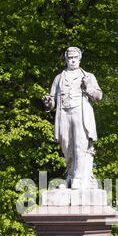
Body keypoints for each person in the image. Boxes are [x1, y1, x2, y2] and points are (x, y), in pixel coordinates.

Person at [43, 47, 102, 189]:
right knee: (67, 146)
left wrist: (88, 87)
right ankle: (70, 175)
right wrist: (48, 102)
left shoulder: (88, 76)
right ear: (66, 59)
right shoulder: (59, 78)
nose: (73, 60)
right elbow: (51, 103)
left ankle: (78, 178)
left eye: (75, 57)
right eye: (70, 58)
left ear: (80, 58)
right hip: (64, 114)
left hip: (80, 113)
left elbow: (98, 97)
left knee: (79, 146)